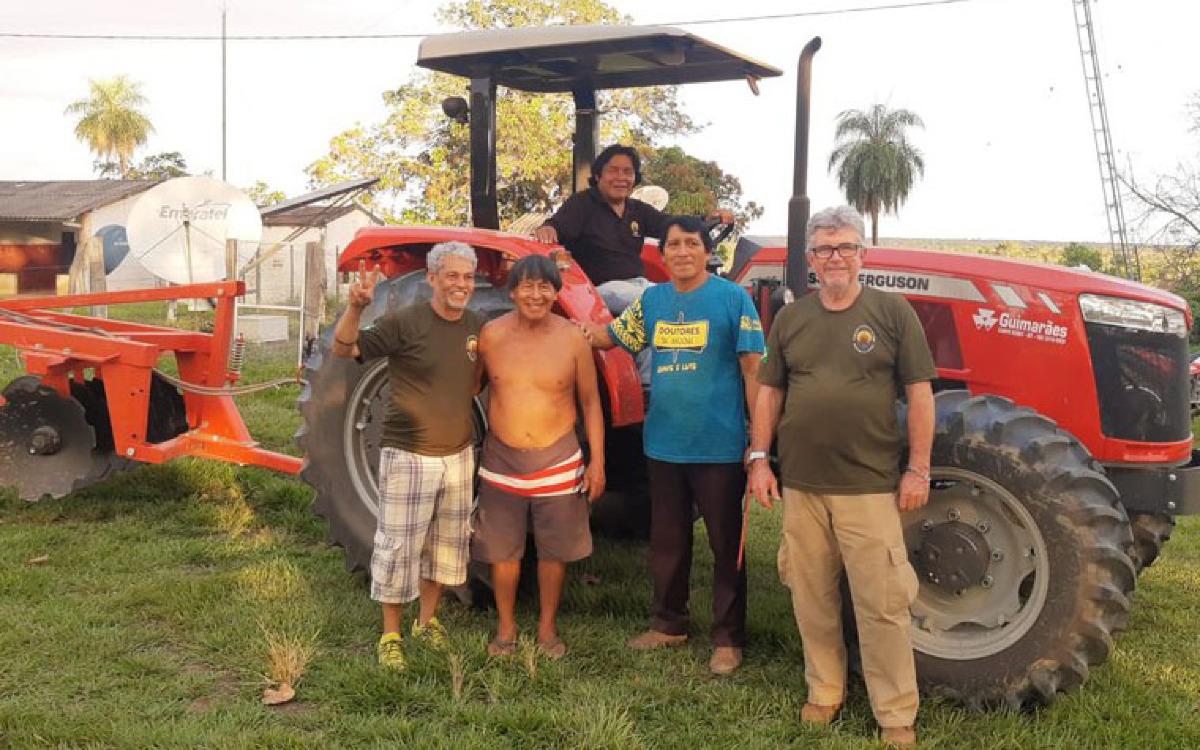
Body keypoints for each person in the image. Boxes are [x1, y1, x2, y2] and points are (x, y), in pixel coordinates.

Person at [746, 205, 935, 747]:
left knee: (882, 604)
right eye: (826, 248)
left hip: (870, 486)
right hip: (803, 485)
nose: (836, 257)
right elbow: (771, 392)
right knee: (811, 596)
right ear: (810, 259)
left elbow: (920, 395)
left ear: (862, 255)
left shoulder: (892, 313)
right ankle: (825, 689)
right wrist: (760, 458)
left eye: (846, 247)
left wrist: (917, 468)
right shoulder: (791, 319)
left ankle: (896, 713)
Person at [581, 215, 764, 676]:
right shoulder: (653, 300)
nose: (682, 252)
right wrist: (573, 332)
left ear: (706, 252)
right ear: (661, 256)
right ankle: (669, 624)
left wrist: (758, 443)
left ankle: (727, 637)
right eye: (673, 246)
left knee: (727, 547)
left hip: (719, 447)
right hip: (663, 445)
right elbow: (614, 336)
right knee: (667, 542)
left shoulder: (732, 299)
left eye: (691, 244)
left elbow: (753, 372)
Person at [331, 240, 484, 671]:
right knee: (398, 547)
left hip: (457, 455)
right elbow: (346, 349)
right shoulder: (406, 322)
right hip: (410, 454)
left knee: (444, 546)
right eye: (451, 275)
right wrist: (357, 308)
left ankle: (427, 621)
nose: (460, 284)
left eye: (467, 276)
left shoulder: (476, 325)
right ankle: (391, 634)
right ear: (432, 278)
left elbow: (473, 380)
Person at [472, 254, 606, 659]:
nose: (536, 294)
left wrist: (597, 462)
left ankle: (547, 627)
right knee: (503, 551)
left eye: (544, 286)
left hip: (558, 460)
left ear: (555, 291)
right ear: (512, 292)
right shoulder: (490, 336)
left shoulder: (572, 339)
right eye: (527, 286)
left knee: (553, 551)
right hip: (501, 461)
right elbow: (467, 388)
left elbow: (591, 403)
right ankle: (506, 627)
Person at [535, 144, 733, 314]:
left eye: (627, 172)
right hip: (598, 291)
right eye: (613, 170)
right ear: (598, 175)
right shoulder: (582, 204)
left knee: (690, 299)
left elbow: (670, 224)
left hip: (638, 283)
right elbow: (558, 226)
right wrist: (548, 228)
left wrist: (706, 220)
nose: (621, 177)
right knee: (667, 306)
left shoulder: (637, 210)